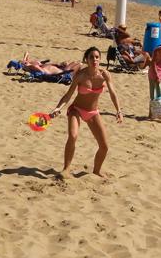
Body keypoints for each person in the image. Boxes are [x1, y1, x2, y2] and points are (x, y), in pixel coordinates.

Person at [48, 47, 122, 177]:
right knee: (73, 136)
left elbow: (113, 93)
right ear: (86, 60)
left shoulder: (104, 75)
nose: (95, 60)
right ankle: (66, 169)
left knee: (104, 146)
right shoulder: (81, 75)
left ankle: (97, 170)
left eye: (97, 57)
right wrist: (58, 108)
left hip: (93, 112)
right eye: (91, 57)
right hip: (76, 110)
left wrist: (118, 110)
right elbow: (68, 94)